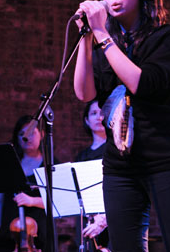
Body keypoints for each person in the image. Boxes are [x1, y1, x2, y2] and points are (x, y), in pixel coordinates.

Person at [73, 0, 170, 251]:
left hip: (168, 157)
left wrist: (102, 35)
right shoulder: (104, 46)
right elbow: (84, 93)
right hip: (120, 166)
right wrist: (86, 38)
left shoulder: (168, 37)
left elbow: (141, 84)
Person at [0, 115, 49, 252]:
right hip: (9, 233)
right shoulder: (9, 163)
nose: (26, 138)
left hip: (38, 235)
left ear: (41, 134)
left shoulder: (50, 165)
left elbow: (58, 202)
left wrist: (32, 200)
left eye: (31, 133)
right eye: (22, 134)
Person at [74, 100, 109, 252]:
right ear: (86, 121)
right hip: (87, 217)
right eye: (93, 113)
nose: (99, 117)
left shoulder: (114, 150)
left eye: (102, 113)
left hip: (110, 214)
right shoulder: (82, 156)